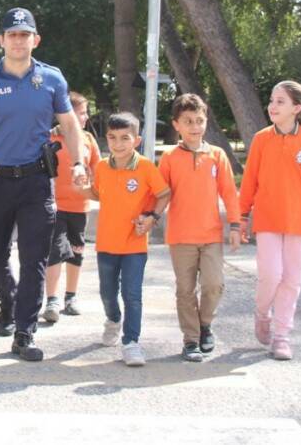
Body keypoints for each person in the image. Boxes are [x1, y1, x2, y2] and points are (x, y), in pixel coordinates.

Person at [0, 7, 88, 362]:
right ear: (2, 40)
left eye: (25, 34)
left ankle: (25, 332)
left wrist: (80, 163)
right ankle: (8, 302)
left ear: (34, 40)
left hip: (37, 183)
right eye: (12, 34)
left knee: (34, 260)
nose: (18, 40)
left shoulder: (52, 79)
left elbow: (70, 126)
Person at [239, 80, 301, 361]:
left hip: (298, 222)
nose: (273, 106)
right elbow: (249, 180)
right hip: (267, 220)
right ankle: (261, 313)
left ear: (297, 108)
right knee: (271, 275)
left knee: (291, 279)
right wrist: (241, 217)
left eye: (280, 101)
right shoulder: (261, 139)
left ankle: (281, 336)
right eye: (271, 100)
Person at [77, 112, 170, 367]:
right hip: (106, 242)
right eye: (113, 138)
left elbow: (164, 194)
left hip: (135, 244)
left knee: (132, 294)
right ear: (107, 139)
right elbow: (97, 193)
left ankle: (131, 343)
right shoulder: (102, 167)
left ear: (136, 140)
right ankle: (113, 319)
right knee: (107, 292)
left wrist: (152, 217)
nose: (118, 144)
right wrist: (80, 187)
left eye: (125, 138)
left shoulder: (146, 168)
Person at [157, 93, 240, 362]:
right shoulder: (169, 157)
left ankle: (205, 325)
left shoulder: (217, 155)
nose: (195, 126)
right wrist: (149, 217)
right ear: (176, 125)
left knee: (214, 284)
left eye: (200, 120)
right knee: (185, 290)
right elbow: (159, 193)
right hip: (181, 236)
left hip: (211, 234)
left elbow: (229, 193)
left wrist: (236, 225)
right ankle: (190, 339)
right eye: (188, 121)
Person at [42, 91, 101, 323]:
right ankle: (52, 300)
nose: (85, 118)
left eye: (86, 113)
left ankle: (71, 297)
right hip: (55, 206)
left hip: (80, 205)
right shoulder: (50, 138)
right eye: (79, 113)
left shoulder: (88, 140)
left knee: (77, 250)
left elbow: (98, 169)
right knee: (55, 252)